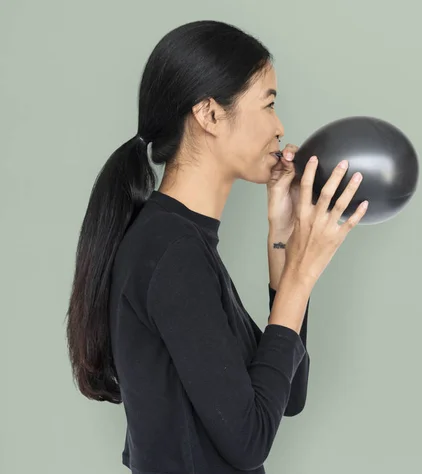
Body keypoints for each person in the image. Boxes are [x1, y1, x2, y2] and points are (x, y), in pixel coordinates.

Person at [66, 20, 368, 474]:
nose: (280, 126)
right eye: (268, 104)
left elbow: (289, 394)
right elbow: (249, 442)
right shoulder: (172, 251)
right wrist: (302, 275)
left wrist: (281, 238)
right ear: (208, 114)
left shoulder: (183, 241)